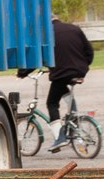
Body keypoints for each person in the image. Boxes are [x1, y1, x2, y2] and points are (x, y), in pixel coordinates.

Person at [16, 17, 93, 150]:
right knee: (64, 91)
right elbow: (89, 52)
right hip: (79, 70)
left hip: (61, 73)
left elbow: (37, 57)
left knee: (51, 103)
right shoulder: (74, 28)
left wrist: (22, 73)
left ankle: (60, 138)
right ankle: (73, 118)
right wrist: (81, 68)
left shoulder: (46, 34)